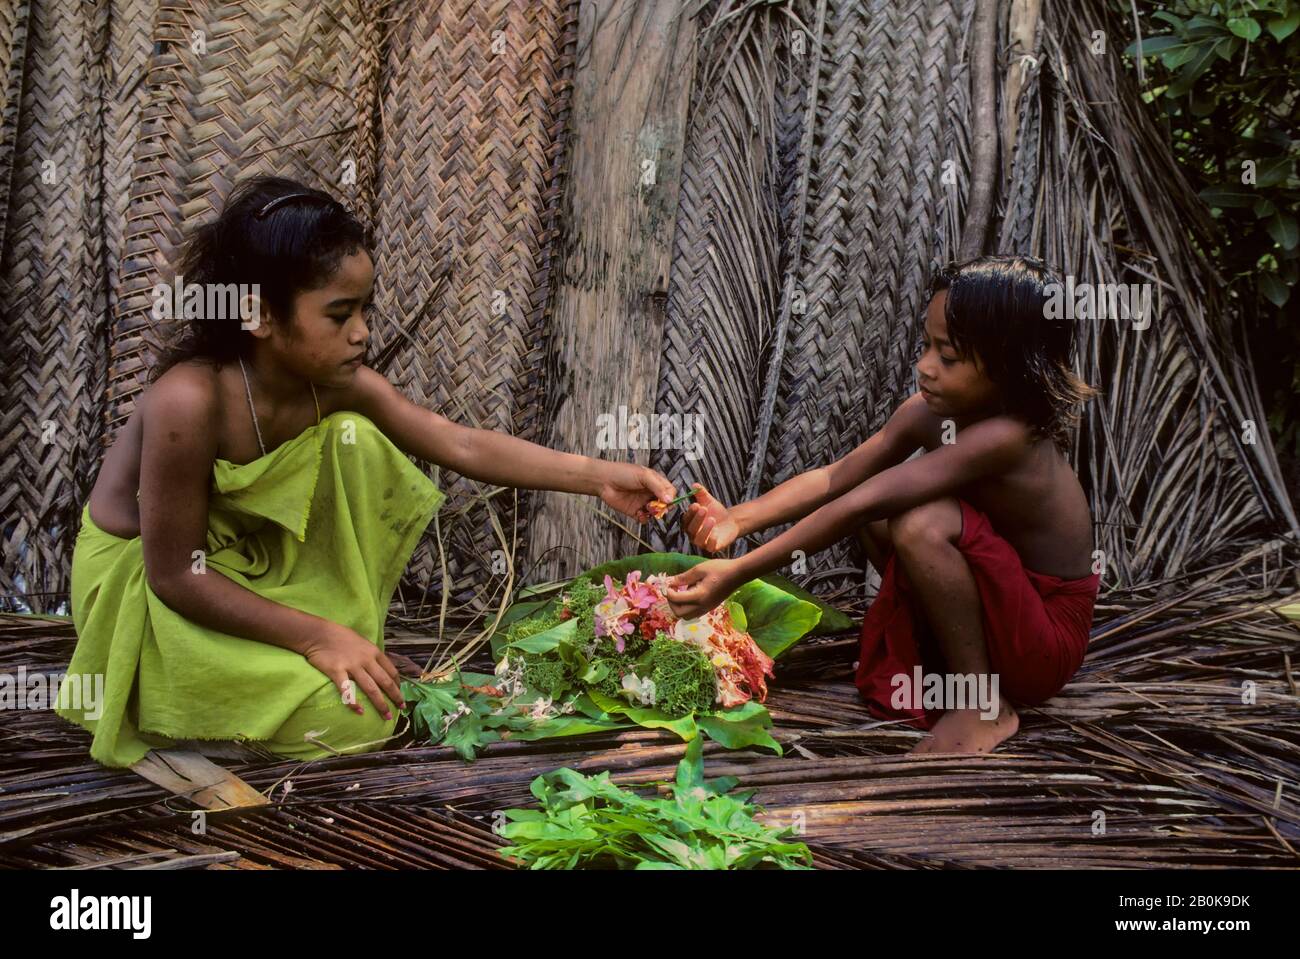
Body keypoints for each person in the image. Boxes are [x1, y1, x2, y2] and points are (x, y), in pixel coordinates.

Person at [59, 176, 674, 768]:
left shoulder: (334, 389)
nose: (363, 332)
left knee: (354, 442)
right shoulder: (188, 401)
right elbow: (176, 577)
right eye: (338, 314)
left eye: (364, 309)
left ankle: (286, 664)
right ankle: (179, 706)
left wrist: (597, 476)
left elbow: (458, 443)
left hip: (243, 569)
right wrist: (315, 638)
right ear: (259, 315)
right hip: (148, 588)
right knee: (357, 718)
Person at [666, 255, 1101, 754]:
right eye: (926, 345)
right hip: (994, 614)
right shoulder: (928, 414)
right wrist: (735, 518)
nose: (925, 366)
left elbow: (858, 500)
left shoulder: (1008, 436)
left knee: (920, 520)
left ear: (1010, 366)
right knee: (880, 518)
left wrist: (737, 572)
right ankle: (946, 657)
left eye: (949, 356)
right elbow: (837, 478)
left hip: (1042, 641)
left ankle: (983, 705)